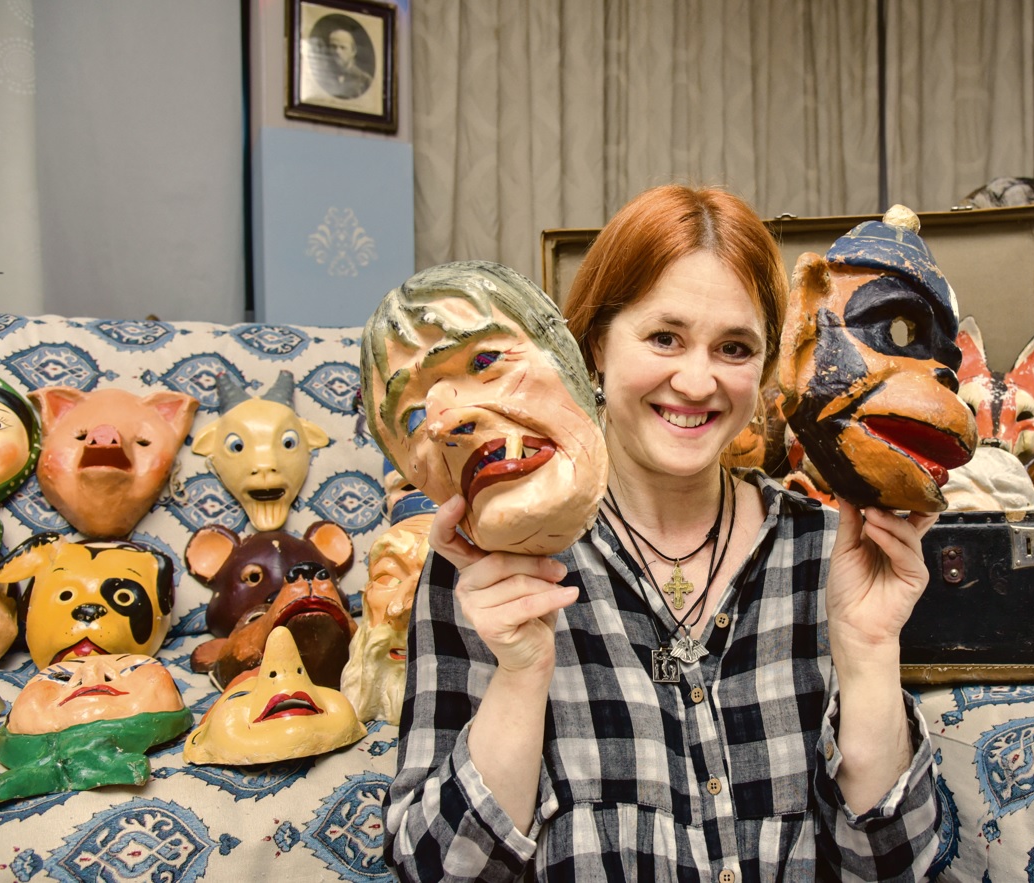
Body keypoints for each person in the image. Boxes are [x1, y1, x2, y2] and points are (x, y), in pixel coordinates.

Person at [385, 185, 942, 880]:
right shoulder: (488, 560)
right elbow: (437, 871)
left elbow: (892, 867)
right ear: (594, 345)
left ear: (767, 368)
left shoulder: (832, 554)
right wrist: (520, 676)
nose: (697, 381)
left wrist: (868, 650)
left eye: (734, 347)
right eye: (664, 338)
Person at [316, 26, 371, 100]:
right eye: (333, 47)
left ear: (353, 51)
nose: (337, 52)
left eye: (343, 47)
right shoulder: (320, 76)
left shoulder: (365, 81)